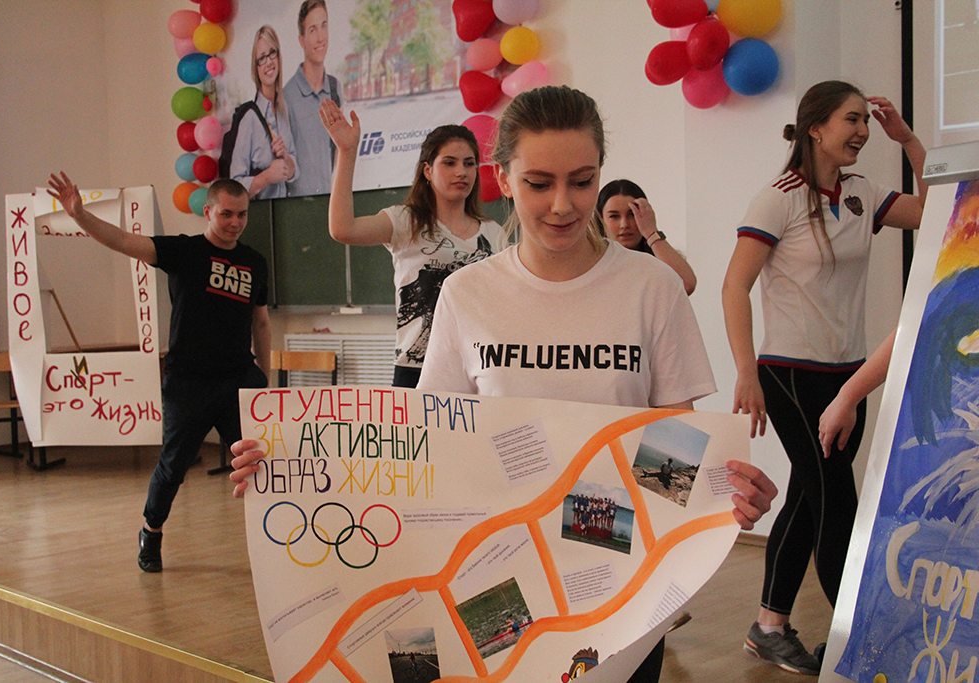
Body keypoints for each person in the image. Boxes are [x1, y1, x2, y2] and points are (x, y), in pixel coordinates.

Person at [232, 85, 776, 683]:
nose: (563, 205)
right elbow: (426, 448)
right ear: (504, 180)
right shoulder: (468, 293)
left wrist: (720, 496)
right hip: (499, 581)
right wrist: (290, 462)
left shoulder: (652, 287)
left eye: (582, 181)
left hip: (621, 586)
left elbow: (675, 442)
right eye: (539, 183)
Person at [721, 80, 927, 675]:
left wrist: (909, 141)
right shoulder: (777, 198)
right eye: (851, 120)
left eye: (865, 120)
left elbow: (937, 211)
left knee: (811, 499)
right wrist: (746, 372)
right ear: (816, 128)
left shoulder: (863, 192)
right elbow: (735, 286)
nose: (862, 131)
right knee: (837, 502)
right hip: (789, 374)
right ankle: (859, 646)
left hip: (847, 375)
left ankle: (768, 627)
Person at [48, 173, 270, 573]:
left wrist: (265, 381)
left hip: (240, 379)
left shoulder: (255, 262)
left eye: (242, 215)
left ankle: (277, 543)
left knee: (265, 462)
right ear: (207, 211)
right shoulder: (184, 251)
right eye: (226, 214)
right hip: (189, 382)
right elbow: (122, 240)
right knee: (174, 465)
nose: (235, 222)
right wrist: (79, 214)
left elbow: (262, 323)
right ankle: (151, 531)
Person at [318, 97, 506, 388]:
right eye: (449, 163)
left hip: (477, 366)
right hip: (416, 368)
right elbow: (343, 229)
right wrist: (347, 152)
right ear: (428, 171)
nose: (461, 172)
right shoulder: (406, 221)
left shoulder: (494, 234)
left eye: (469, 163)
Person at [228, 25, 297, 200]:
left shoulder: (284, 110)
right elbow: (235, 187)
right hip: (260, 215)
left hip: (285, 210)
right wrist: (267, 176)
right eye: (261, 58)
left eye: (272, 53)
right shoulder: (249, 119)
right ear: (256, 68)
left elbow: (294, 171)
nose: (268, 62)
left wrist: (286, 158)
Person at [597, 180, 697, 295]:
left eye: (632, 214)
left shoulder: (656, 262)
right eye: (614, 216)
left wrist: (651, 233)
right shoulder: (593, 263)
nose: (624, 224)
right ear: (601, 220)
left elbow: (686, 285)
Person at [283, 0, 341, 196]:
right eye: (313, 30)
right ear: (302, 40)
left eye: (324, 26)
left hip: (332, 202)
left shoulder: (335, 88)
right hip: (298, 206)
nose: (320, 37)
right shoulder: (286, 97)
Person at [818, 329, 895, 458]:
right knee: (829, 463)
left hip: (849, 359)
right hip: (801, 360)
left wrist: (848, 398)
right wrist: (847, 398)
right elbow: (914, 329)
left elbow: (915, 329)